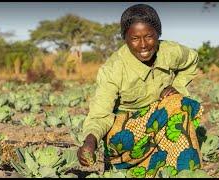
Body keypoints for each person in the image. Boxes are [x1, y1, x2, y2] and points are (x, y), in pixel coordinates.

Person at [77, 3, 204, 178]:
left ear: (158, 34)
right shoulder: (114, 69)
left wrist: (178, 86)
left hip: (159, 119)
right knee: (174, 105)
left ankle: (181, 172)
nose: (143, 45)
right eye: (135, 38)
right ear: (125, 38)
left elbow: (192, 60)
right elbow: (100, 115)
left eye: (149, 36)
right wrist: (90, 141)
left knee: (179, 102)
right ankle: (129, 168)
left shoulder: (170, 51)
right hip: (126, 136)